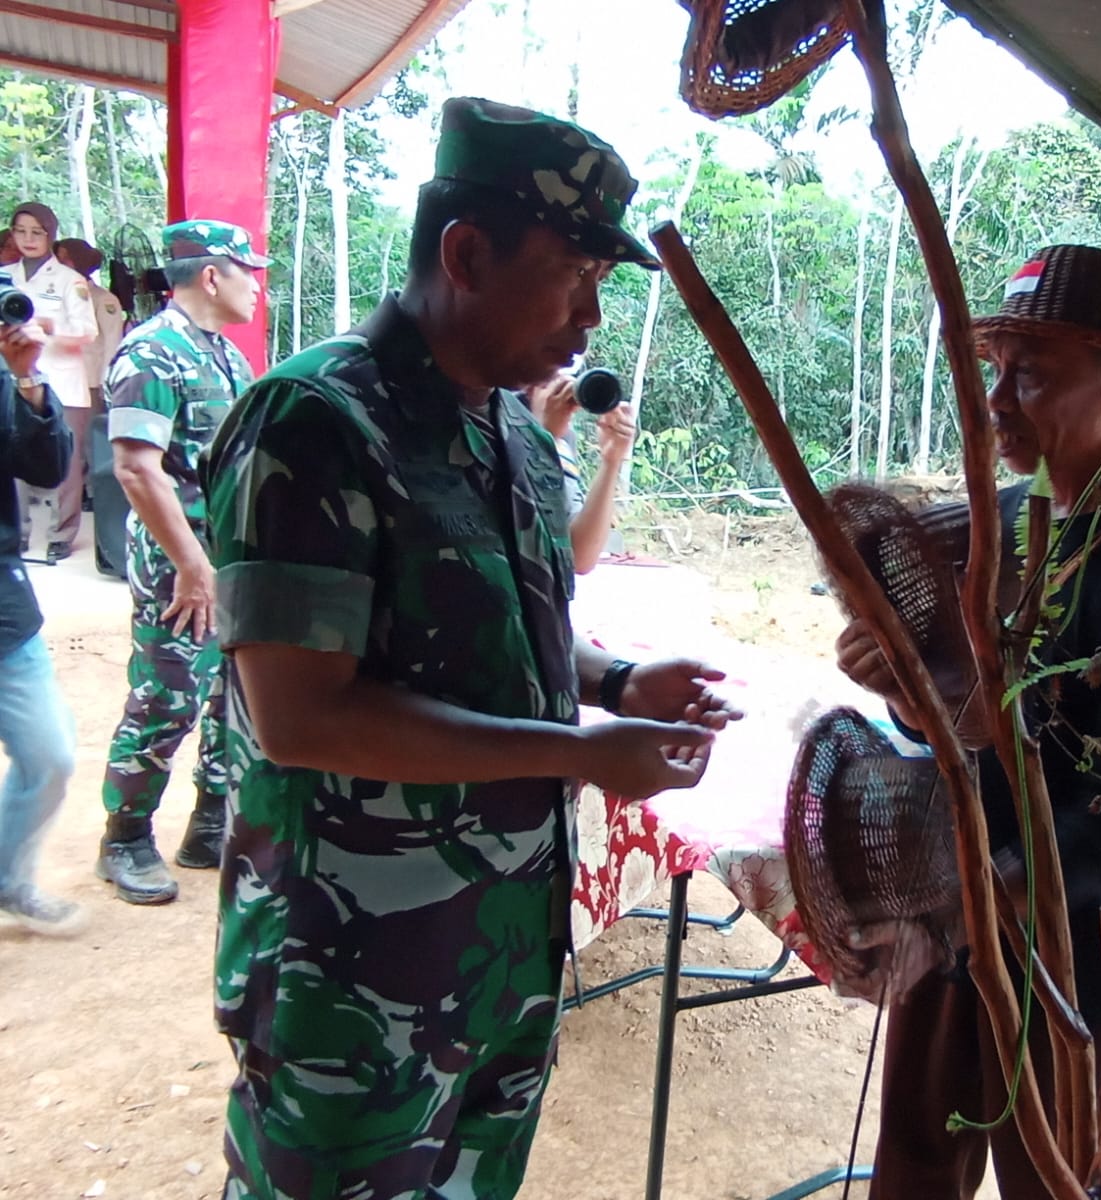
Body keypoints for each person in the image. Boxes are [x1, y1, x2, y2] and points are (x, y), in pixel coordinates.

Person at [201, 96, 738, 1199]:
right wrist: (581, 754)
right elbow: (302, 718)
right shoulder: (312, 423)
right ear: (466, 252)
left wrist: (620, 681)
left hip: (497, 946)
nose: (590, 318)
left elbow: (512, 626)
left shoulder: (508, 432)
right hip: (350, 970)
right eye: (575, 274)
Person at [833, 245, 1101, 1199]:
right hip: (957, 917)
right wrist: (902, 690)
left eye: (1033, 373)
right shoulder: (995, 521)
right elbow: (962, 730)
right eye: (995, 369)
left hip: (1082, 956)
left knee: (1053, 1181)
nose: (998, 400)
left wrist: (1004, 891)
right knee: (919, 1165)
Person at [96, 220, 265, 905]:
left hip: (225, 559)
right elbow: (137, 471)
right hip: (180, 561)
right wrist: (194, 566)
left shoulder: (223, 356)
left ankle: (210, 824)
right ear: (211, 275)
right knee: (170, 697)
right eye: (247, 270)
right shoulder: (151, 353)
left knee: (234, 694)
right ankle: (126, 836)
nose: (257, 285)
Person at [0, 315, 82, 934]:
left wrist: (27, 381)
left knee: (49, 756)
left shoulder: (10, 381)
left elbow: (47, 469)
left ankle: (8, 880)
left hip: (5, 612)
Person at [10, 203, 97, 563]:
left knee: (67, 462)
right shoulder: (4, 275)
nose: (28, 239)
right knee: (10, 459)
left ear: (50, 234)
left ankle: (61, 534)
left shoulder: (69, 281)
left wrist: (49, 327)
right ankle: (16, 530)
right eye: (20, 231)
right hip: (13, 379)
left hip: (61, 381)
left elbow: (88, 331)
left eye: (37, 232)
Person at [523, 372, 637, 571]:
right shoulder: (491, 424)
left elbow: (580, 557)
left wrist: (611, 461)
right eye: (551, 378)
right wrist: (543, 439)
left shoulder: (564, 442)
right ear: (529, 390)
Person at [55, 238, 127, 407]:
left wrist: (107, 380)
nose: (58, 263)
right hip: (63, 381)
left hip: (91, 382)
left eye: (65, 258)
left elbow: (113, 341)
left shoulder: (103, 299)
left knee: (86, 431)